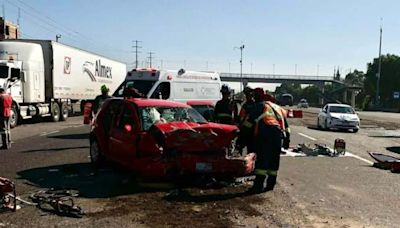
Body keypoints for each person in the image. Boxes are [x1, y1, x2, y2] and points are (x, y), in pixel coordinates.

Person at [247, 88, 290, 193]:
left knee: (262, 161)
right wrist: (287, 140)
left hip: (265, 135)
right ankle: (270, 185)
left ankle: (258, 186)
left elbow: (248, 124)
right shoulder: (277, 108)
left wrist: (242, 138)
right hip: (278, 136)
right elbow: (286, 126)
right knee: (273, 161)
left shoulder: (259, 106)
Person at [237, 86, 255, 155]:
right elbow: (241, 117)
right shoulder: (245, 105)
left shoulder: (253, 104)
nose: (248, 96)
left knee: (251, 149)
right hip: (247, 130)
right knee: (242, 146)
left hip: (252, 131)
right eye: (247, 95)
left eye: (249, 95)